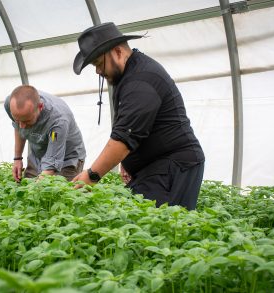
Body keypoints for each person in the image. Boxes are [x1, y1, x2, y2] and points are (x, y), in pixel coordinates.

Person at [72, 22, 205, 210]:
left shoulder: (142, 80)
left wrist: (92, 175)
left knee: (157, 230)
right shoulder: (129, 74)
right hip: (158, 166)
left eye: (99, 64)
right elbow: (136, 126)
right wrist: (128, 161)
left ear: (118, 52)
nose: (98, 71)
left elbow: (125, 136)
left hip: (173, 166)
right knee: (141, 224)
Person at [4, 85, 86, 182]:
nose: (22, 126)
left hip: (67, 158)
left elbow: (51, 164)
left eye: (27, 121)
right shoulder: (10, 104)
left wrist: (36, 189)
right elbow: (18, 127)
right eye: (18, 120)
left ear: (40, 107)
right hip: (38, 155)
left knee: (61, 193)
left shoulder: (58, 120)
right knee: (26, 189)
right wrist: (17, 158)